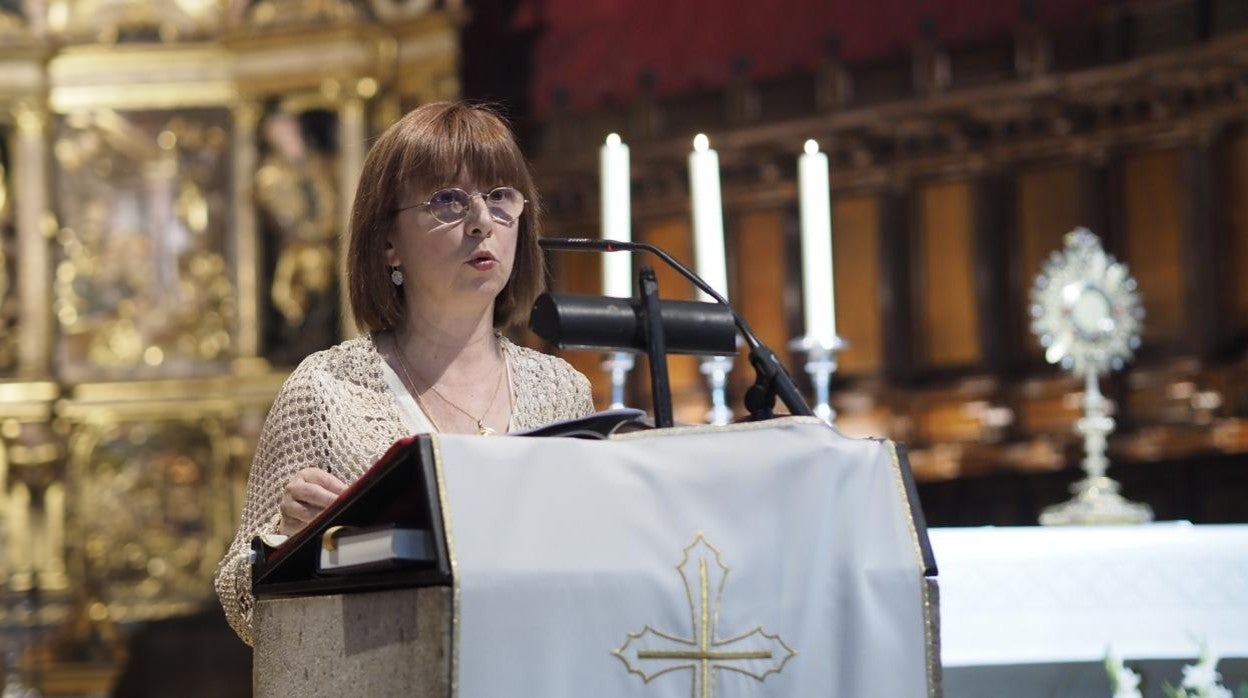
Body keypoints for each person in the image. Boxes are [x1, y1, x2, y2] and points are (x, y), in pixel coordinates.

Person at [214, 101, 595, 645]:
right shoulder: (325, 393)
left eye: (500, 196)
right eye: (447, 200)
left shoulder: (563, 390)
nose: (482, 221)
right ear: (388, 242)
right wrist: (289, 544)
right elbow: (239, 601)